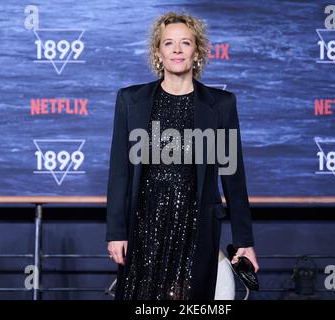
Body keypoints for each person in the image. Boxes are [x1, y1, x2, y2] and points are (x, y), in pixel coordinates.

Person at [106, 11, 258, 300]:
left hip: (196, 227)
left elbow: (233, 178)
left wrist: (244, 241)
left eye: (185, 43)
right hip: (143, 226)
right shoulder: (130, 100)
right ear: (158, 52)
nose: (177, 50)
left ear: (197, 51)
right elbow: (119, 173)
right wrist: (116, 232)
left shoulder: (221, 104)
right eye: (169, 43)